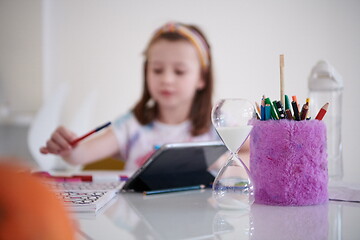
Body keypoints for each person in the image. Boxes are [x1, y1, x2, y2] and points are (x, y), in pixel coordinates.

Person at [40, 22, 220, 171]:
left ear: (202, 78)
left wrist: (223, 161)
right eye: (157, 70)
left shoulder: (218, 124)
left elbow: (247, 153)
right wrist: (69, 149)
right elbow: (82, 154)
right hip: (136, 214)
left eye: (179, 71)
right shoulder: (131, 125)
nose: (166, 79)